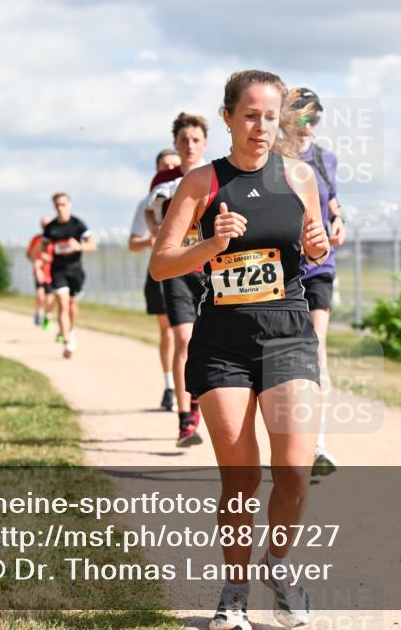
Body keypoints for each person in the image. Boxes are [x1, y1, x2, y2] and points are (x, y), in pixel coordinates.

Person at [150, 69, 330, 630]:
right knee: (243, 477)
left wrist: (317, 241)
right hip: (223, 341)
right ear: (227, 117)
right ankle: (233, 594)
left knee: (295, 472)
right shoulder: (201, 183)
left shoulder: (300, 177)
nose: (260, 126)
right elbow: (162, 263)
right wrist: (212, 243)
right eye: (249, 115)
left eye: (270, 116)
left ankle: (279, 566)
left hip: (288, 334)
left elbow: (315, 243)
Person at [291, 88, 348, 476]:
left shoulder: (325, 159)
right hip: (279, 268)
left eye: (315, 116)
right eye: (301, 115)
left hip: (318, 267)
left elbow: (332, 203)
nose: (309, 123)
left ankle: (317, 446)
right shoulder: (272, 159)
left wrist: (339, 220)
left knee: (315, 349)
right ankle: (289, 442)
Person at [146, 113, 210, 445]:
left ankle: (196, 396)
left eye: (195, 140)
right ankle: (186, 421)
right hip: (176, 271)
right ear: (175, 143)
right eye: (183, 140)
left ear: (205, 144)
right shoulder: (164, 180)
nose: (189, 145)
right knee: (183, 339)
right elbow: (149, 209)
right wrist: (158, 230)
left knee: (203, 340)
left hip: (208, 271)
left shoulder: (215, 177)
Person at [129, 148, 182, 410]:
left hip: (190, 269)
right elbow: (133, 244)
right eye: (165, 166)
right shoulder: (147, 204)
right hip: (161, 271)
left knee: (188, 332)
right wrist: (149, 240)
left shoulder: (190, 192)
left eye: (175, 165)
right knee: (169, 331)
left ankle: (190, 389)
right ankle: (170, 385)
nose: (170, 169)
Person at [37, 193, 96, 358]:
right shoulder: (51, 227)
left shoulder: (78, 225)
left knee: (72, 305)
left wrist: (79, 247)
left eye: (63, 204)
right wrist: (44, 256)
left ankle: (71, 330)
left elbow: (92, 245)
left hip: (76, 270)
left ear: (69, 204)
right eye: (57, 205)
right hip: (58, 270)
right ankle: (67, 342)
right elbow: (44, 247)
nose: (60, 208)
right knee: (62, 304)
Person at [27, 217, 55, 330]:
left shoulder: (55, 239)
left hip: (53, 272)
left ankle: (48, 317)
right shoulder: (37, 239)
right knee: (40, 294)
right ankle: (38, 311)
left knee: (50, 297)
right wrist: (36, 265)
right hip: (40, 271)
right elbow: (30, 254)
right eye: (43, 224)